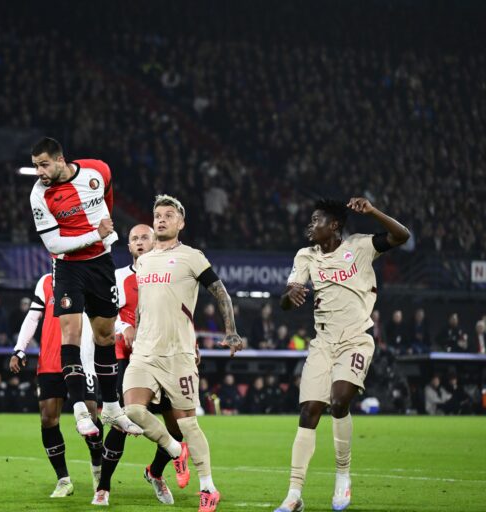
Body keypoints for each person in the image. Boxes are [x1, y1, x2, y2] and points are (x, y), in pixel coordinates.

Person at [274, 197, 410, 512]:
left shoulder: (361, 247)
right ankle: (294, 495)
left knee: (338, 402)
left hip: (356, 340)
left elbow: (402, 236)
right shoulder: (305, 255)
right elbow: (286, 300)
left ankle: (343, 476)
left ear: (334, 226)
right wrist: (288, 295)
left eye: (316, 220)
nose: (311, 225)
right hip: (323, 341)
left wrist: (374, 212)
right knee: (309, 411)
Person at [122, 195, 243, 512]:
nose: (161, 220)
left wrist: (230, 331)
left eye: (168, 215)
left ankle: (208, 488)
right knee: (132, 411)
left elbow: (221, 293)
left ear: (181, 223)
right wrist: (136, 328)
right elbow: (145, 306)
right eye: (157, 215)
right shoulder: (143, 261)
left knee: (189, 423)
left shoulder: (192, 257)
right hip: (145, 352)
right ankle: (175, 450)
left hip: (179, 355)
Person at [28, 137, 139, 436]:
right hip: (67, 266)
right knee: (71, 333)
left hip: (101, 264)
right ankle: (79, 409)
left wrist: (104, 230)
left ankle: (113, 409)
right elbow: (54, 243)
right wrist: (96, 234)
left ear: (60, 159)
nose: (39, 171)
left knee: (104, 335)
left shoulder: (97, 171)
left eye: (44, 164)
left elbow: (107, 198)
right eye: (35, 166)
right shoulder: (39, 195)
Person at [93, 223, 183, 506]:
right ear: (129, 247)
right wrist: (123, 327)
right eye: (135, 239)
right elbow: (105, 313)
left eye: (145, 237)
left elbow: (180, 314)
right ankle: (103, 487)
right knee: (122, 423)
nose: (140, 242)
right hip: (127, 359)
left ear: (155, 241)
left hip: (163, 358)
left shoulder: (167, 276)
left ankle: (155, 473)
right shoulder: (118, 277)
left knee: (178, 428)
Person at [10, 271, 104, 498]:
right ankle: (63, 480)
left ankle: (98, 471)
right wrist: (20, 348)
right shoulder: (45, 281)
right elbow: (33, 317)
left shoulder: (90, 276)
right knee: (47, 418)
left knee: (90, 419)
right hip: (51, 360)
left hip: (82, 359)